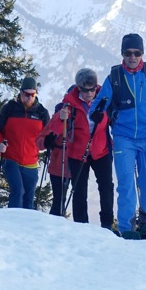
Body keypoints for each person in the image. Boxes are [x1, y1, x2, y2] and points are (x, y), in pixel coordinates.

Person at [89, 33, 146, 237]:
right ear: (122, 54)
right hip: (123, 137)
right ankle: (126, 227)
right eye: (128, 53)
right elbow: (99, 103)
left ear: (142, 54)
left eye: (136, 53)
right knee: (126, 184)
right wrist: (96, 113)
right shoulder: (115, 78)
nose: (132, 57)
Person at [36, 68, 114, 228]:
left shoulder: (105, 99)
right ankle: (81, 226)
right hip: (78, 153)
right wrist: (59, 123)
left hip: (101, 151)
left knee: (106, 188)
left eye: (91, 89)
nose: (89, 93)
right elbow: (56, 127)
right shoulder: (70, 104)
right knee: (79, 191)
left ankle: (107, 224)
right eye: (85, 90)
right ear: (79, 88)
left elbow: (115, 120)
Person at [0, 77, 50, 210]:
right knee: (18, 192)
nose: (29, 97)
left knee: (28, 198)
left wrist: (47, 144)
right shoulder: (9, 109)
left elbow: (48, 135)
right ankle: (12, 225)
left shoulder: (42, 112)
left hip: (31, 162)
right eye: (26, 94)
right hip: (11, 158)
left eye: (32, 94)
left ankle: (26, 229)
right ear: (20, 92)